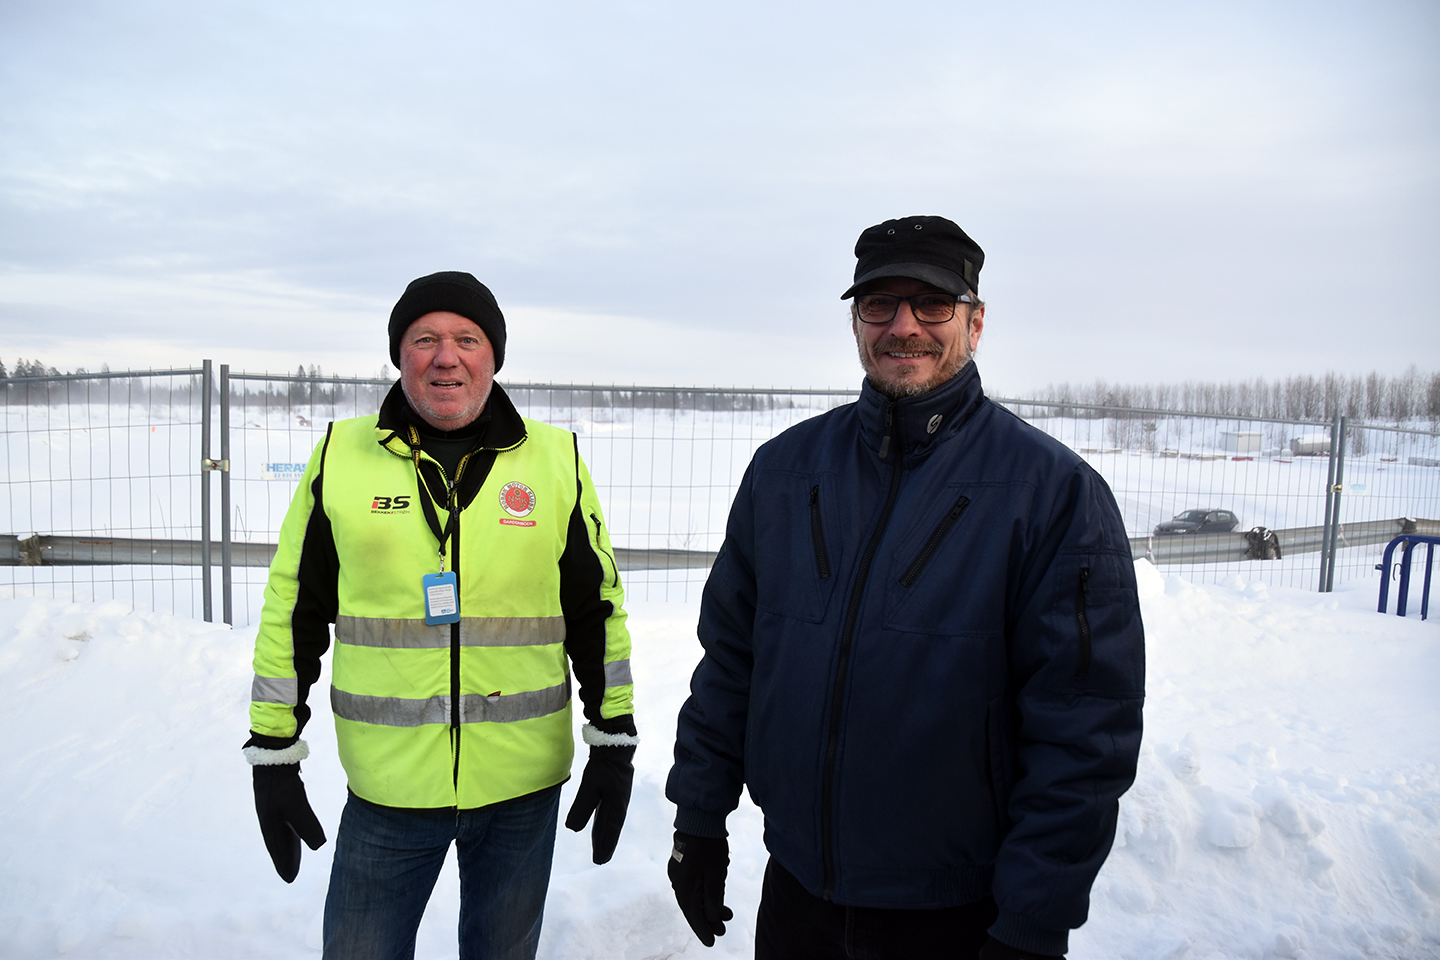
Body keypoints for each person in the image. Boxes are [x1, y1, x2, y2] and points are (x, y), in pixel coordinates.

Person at [665, 217, 1145, 960]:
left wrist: (1034, 917)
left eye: (932, 304)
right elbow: (731, 660)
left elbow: (1083, 729)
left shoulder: (1053, 494)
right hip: (796, 896)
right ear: (857, 322)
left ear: (974, 323)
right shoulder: (785, 472)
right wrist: (698, 817)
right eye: (880, 304)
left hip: (953, 914)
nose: (904, 326)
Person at [244, 271, 638, 960]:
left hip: (522, 787)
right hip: (388, 788)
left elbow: (596, 608)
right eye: (425, 339)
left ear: (494, 356)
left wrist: (613, 733)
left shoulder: (556, 460)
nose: (446, 357)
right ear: (400, 355)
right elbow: (292, 608)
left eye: (467, 339)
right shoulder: (341, 455)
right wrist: (273, 748)